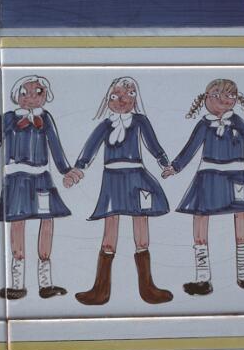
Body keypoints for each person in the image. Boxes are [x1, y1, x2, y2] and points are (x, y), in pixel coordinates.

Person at [0, 75, 82, 300]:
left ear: (46, 95)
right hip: (16, 180)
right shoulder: (6, 119)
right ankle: (17, 284)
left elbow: (56, 146)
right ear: (15, 95)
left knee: (47, 222)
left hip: (42, 178)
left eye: (38, 92)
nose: (31, 97)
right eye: (25, 92)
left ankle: (46, 284)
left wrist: (66, 171)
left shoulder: (45, 118)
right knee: (17, 224)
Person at [164, 78, 244, 296]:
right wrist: (175, 167)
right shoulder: (204, 124)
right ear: (206, 98)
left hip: (236, 176)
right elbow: (190, 148)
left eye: (230, 96)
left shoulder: (237, 122)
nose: (225, 100)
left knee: (242, 216)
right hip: (208, 175)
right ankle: (202, 278)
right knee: (200, 216)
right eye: (218, 95)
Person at [74, 77, 174, 305]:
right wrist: (78, 169)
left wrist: (165, 164)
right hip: (112, 179)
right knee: (109, 232)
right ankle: (100, 290)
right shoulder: (105, 125)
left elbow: (153, 145)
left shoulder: (140, 121)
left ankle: (148, 288)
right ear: (107, 99)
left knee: (141, 228)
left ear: (135, 99)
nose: (122, 100)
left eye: (128, 95)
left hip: (137, 177)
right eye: (115, 96)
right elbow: (89, 149)